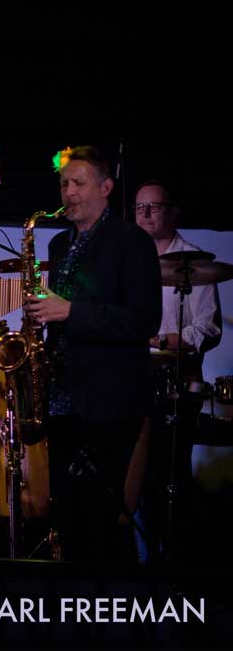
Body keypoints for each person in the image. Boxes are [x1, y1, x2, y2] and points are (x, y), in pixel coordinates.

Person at [25, 145, 162, 561]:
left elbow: (144, 320)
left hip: (110, 402)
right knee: (67, 517)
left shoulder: (132, 242)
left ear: (106, 188)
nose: (69, 193)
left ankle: (110, 597)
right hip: (63, 399)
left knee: (100, 520)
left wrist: (70, 311)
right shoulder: (59, 244)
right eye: (64, 184)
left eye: (79, 183)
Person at [133, 180, 222, 560]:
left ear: (171, 213)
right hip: (132, 377)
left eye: (153, 207)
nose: (145, 214)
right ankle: (138, 561)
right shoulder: (129, 258)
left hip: (175, 378)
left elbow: (207, 329)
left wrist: (159, 340)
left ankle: (173, 562)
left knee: (168, 473)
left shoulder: (195, 262)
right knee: (133, 475)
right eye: (139, 207)